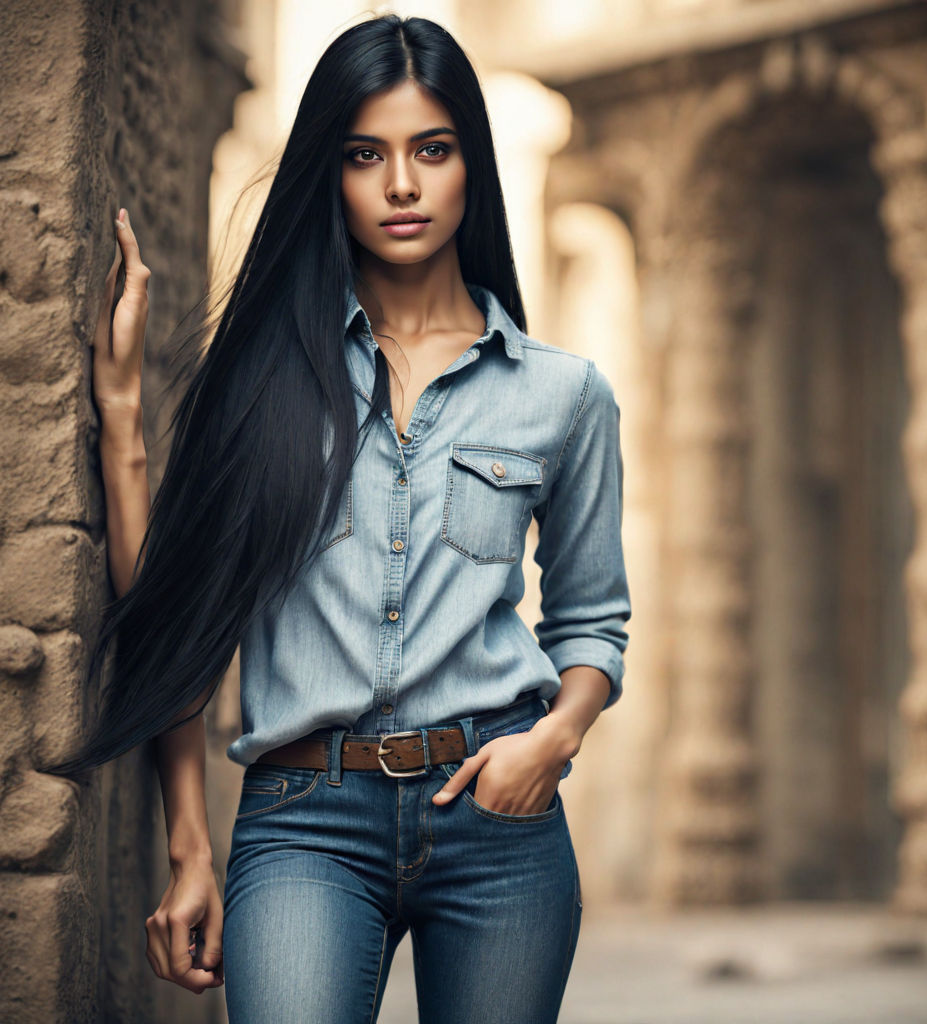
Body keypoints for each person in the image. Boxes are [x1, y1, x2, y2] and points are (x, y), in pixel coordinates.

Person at [44, 13, 630, 1023]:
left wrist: (554, 739)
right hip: (303, 824)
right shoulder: (261, 380)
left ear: (468, 168)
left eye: (430, 150)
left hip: (497, 821)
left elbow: (590, 622)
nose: (400, 184)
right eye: (366, 155)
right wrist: (124, 421)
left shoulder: (562, 395)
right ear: (332, 172)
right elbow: (176, 628)